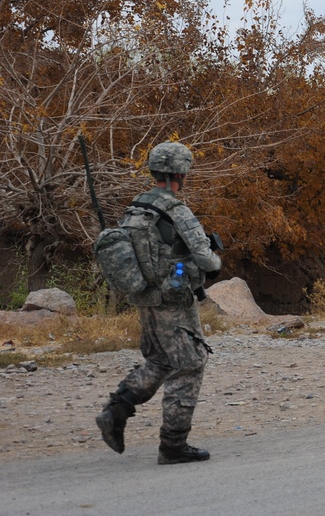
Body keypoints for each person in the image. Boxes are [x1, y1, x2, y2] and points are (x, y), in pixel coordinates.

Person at [96, 141, 223, 464]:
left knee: (160, 361)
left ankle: (117, 409)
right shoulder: (175, 210)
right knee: (190, 363)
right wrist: (210, 256)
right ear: (180, 172)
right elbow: (207, 262)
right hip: (174, 301)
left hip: (146, 299)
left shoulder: (136, 208)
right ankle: (173, 445)